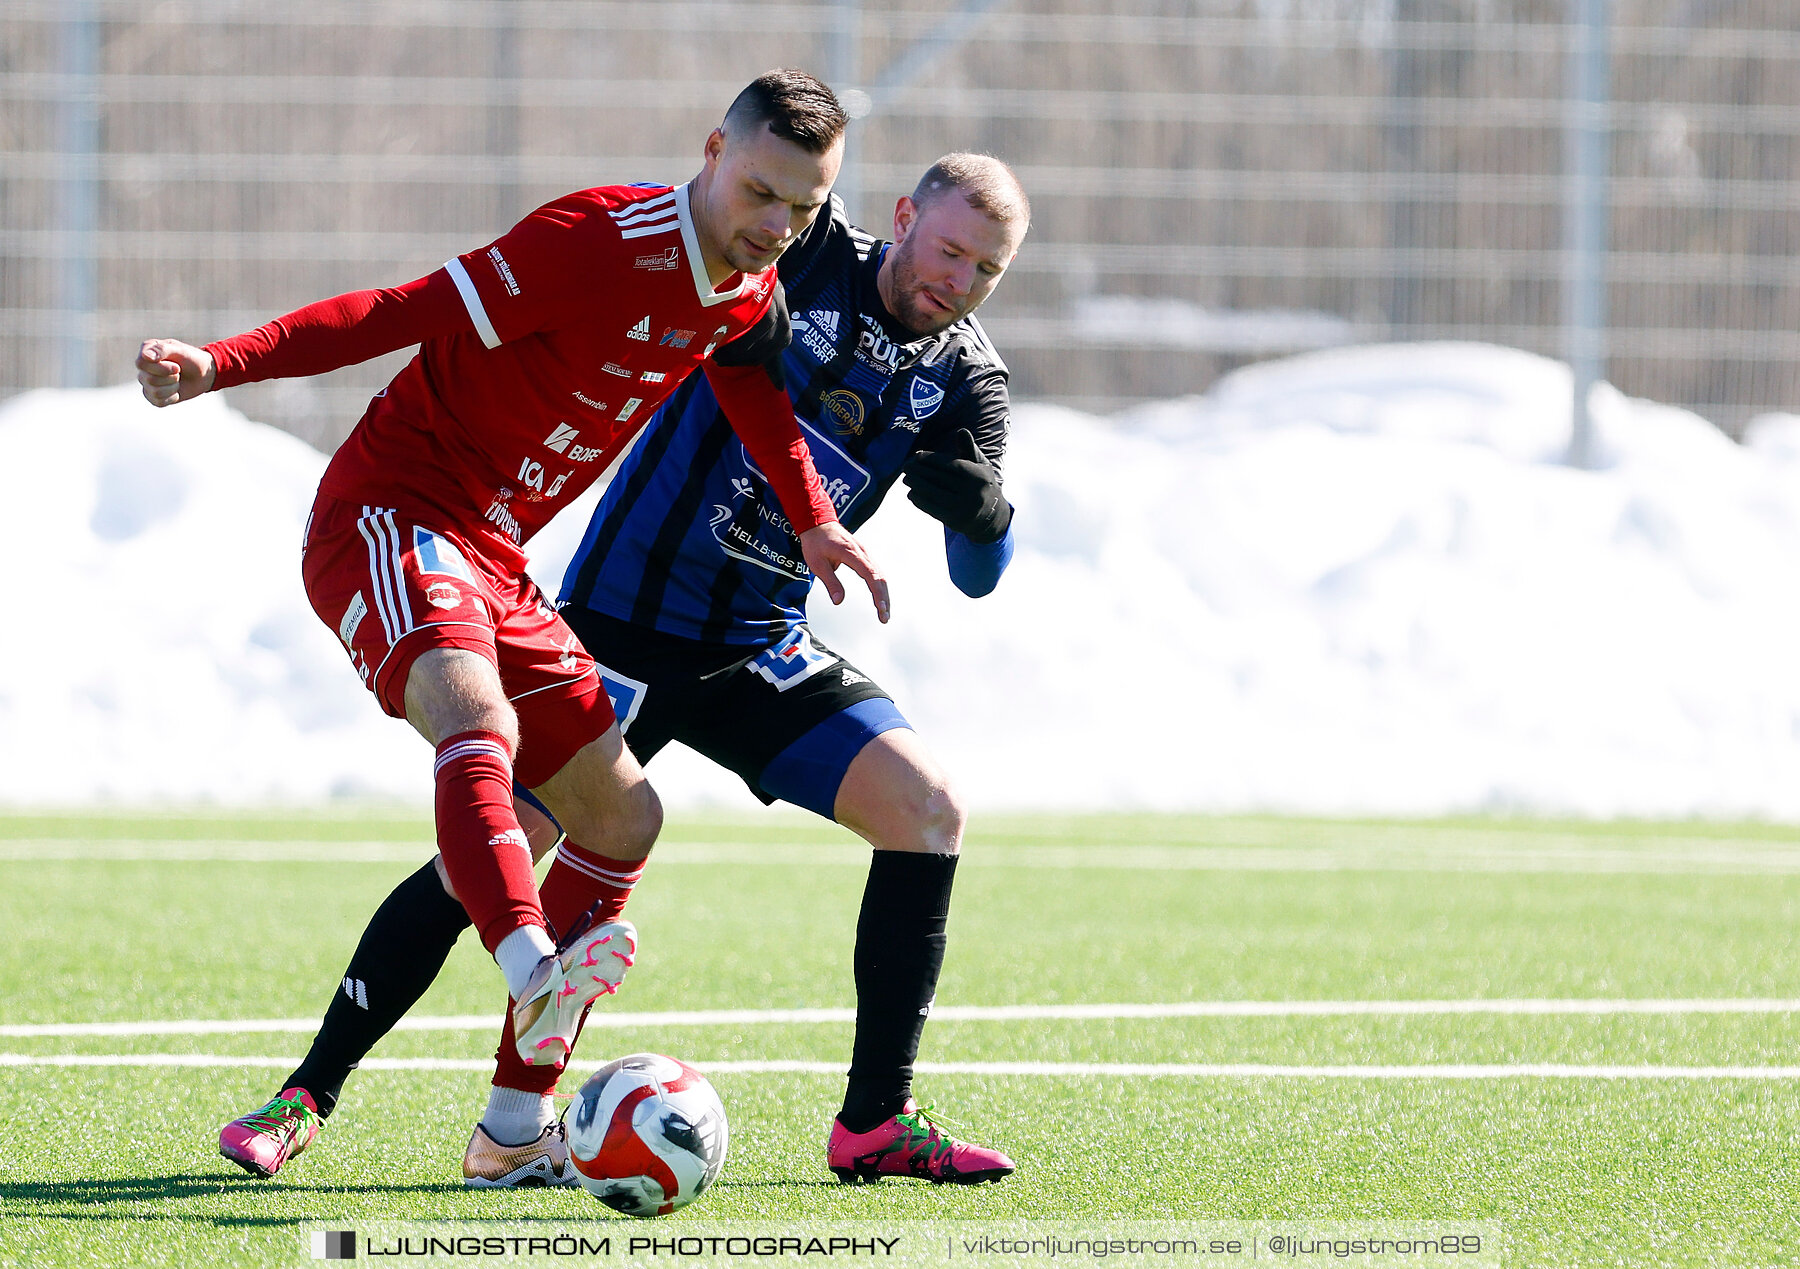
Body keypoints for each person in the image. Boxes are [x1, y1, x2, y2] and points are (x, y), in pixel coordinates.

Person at [135, 69, 888, 1179]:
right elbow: (399, 312)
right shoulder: (593, 240)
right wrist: (221, 366)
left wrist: (815, 521)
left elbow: (747, 386)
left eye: (805, 208)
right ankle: (532, 960)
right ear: (714, 149)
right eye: (764, 192)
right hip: (393, 514)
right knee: (470, 712)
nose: (778, 226)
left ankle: (512, 1133)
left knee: (623, 818)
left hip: (491, 554)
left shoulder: (740, 289)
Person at [242, 152, 1032, 1189]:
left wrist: (984, 515)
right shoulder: (809, 246)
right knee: (495, 851)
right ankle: (307, 1093)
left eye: (985, 271)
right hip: (617, 626)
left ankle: (875, 1123)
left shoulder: (968, 378)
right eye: (949, 252)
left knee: (928, 811)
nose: (959, 282)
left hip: (757, 648)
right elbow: (721, 212)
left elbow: (982, 573)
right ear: (904, 220)